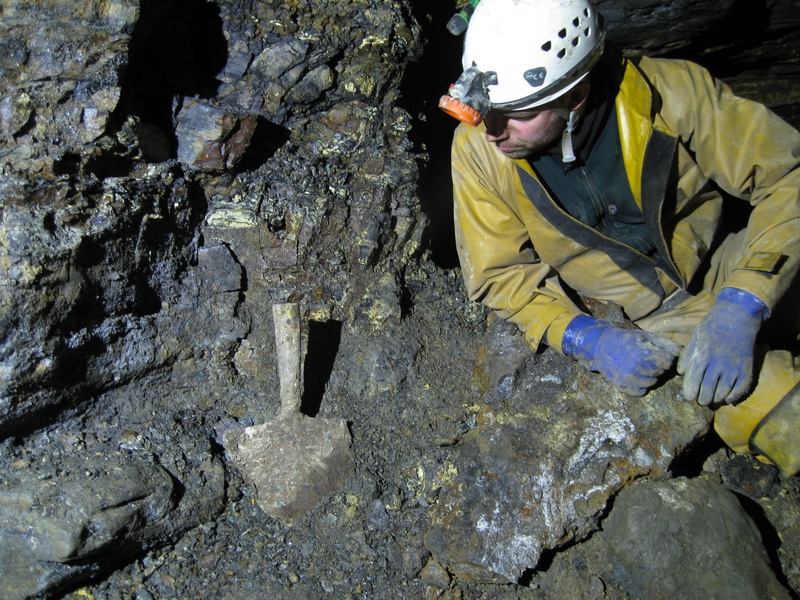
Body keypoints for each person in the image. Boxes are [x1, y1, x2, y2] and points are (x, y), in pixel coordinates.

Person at [440, 0, 800, 475]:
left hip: (729, 259)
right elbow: (502, 276)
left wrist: (744, 300)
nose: (492, 130)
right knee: (781, 415)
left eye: (514, 113)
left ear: (575, 95)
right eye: (485, 110)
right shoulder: (480, 156)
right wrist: (589, 339)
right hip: (657, 326)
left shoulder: (668, 91)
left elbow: (786, 176)